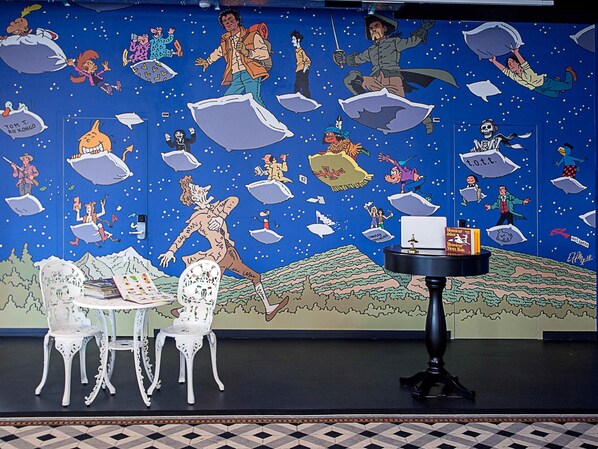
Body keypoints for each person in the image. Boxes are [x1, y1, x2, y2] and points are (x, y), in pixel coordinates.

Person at [158, 176, 288, 322]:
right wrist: (171, 251)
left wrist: (221, 217)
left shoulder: (216, 209)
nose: (200, 187)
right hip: (218, 258)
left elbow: (233, 200)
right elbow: (184, 235)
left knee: (254, 277)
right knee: (210, 289)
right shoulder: (198, 218)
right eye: (195, 188)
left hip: (229, 255)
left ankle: (268, 308)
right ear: (194, 196)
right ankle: (186, 310)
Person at [332, 14, 457, 134]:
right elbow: (357, 59)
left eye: (376, 26)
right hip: (375, 80)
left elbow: (412, 42)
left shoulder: (394, 42)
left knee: (401, 105)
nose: (373, 29)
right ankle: (363, 100)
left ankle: (425, 117)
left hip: (392, 79)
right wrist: (343, 59)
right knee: (351, 78)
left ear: (384, 28)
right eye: (371, 28)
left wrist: (424, 29)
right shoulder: (370, 50)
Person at [194, 9, 270, 107]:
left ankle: (264, 116)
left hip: (251, 72)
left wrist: (247, 52)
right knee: (227, 100)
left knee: (254, 99)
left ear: (237, 20)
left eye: (230, 19)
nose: (228, 23)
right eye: (225, 21)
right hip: (236, 75)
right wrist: (207, 62)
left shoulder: (252, 35)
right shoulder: (226, 41)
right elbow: (219, 52)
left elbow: (265, 53)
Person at [489, 47, 576, 98]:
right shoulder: (514, 76)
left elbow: (524, 63)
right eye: (509, 63)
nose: (510, 64)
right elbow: (505, 70)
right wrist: (494, 62)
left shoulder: (526, 70)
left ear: (518, 63)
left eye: (512, 62)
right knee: (554, 95)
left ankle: (568, 71)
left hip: (544, 82)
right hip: (536, 89)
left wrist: (516, 53)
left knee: (568, 86)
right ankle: (557, 81)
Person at [290, 30, 311, 98]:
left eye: (293, 39)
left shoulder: (301, 51)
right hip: (298, 70)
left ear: (298, 40)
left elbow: (308, 60)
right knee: (297, 85)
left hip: (302, 70)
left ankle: (307, 97)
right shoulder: (296, 51)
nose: (292, 41)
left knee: (304, 85)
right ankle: (297, 96)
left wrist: (304, 69)